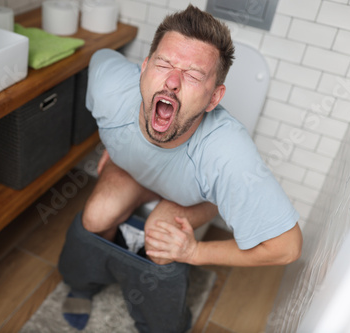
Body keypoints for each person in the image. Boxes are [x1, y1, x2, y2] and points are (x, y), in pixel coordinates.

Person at [58, 4, 302, 332]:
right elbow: (101, 56)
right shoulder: (109, 85)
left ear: (214, 99)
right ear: (143, 68)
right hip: (133, 170)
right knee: (95, 216)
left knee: (160, 243)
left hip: (192, 194)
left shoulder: (228, 154)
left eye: (193, 74)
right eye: (164, 64)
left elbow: (286, 248)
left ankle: (161, 324)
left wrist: (195, 251)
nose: (172, 81)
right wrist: (114, 146)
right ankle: (85, 283)